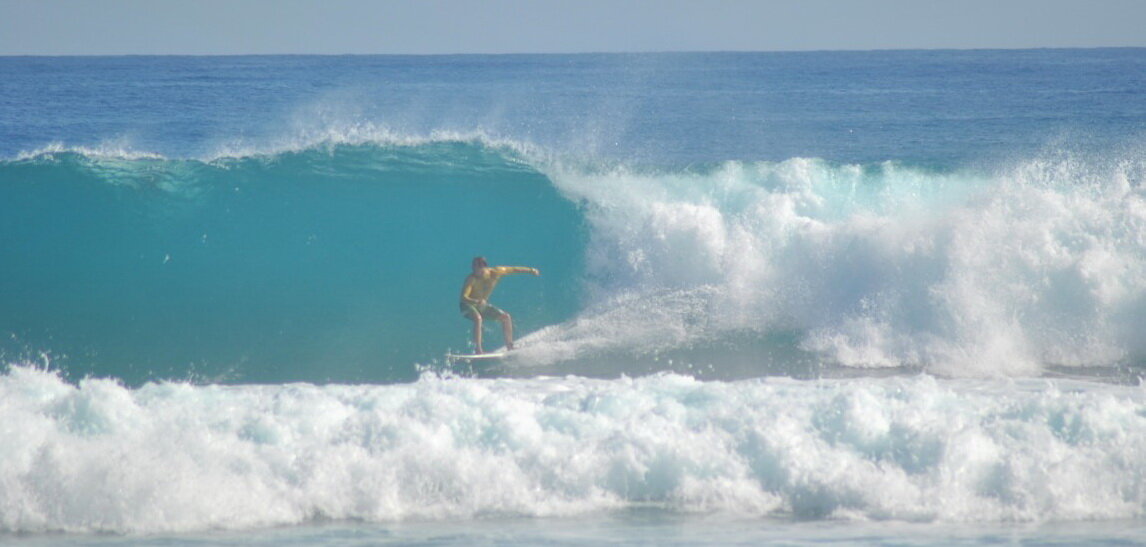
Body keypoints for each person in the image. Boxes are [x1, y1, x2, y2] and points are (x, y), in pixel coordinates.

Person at [459, 256, 540, 353]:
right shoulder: (471, 279)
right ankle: (478, 349)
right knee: (478, 319)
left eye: (475, 266)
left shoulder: (496, 272)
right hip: (466, 306)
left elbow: (514, 269)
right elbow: (463, 297)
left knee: (506, 317)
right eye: (473, 266)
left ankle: (510, 347)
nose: (473, 268)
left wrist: (531, 270)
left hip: (481, 306)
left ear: (484, 267)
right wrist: (476, 301)